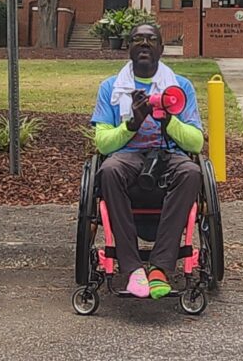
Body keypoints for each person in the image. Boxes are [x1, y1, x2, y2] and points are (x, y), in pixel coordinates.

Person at [91, 23, 204, 299]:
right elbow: (103, 143)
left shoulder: (180, 87)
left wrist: (168, 121)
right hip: (128, 156)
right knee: (108, 171)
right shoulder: (111, 88)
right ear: (128, 48)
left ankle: (160, 269)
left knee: (191, 172)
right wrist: (132, 124)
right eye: (137, 39)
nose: (144, 44)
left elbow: (196, 142)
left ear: (161, 49)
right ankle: (131, 269)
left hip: (168, 156)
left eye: (151, 39)